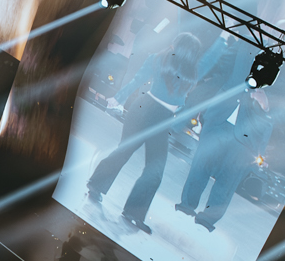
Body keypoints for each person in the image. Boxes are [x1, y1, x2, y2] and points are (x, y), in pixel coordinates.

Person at [87, 31, 204, 232]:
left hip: (161, 119)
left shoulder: (188, 73)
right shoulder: (159, 60)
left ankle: (133, 212)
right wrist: (119, 97)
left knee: (155, 169)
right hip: (144, 110)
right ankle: (96, 185)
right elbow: (137, 80)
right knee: (123, 151)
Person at [175, 85, 274, 230]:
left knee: (227, 182)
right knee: (199, 168)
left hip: (245, 139)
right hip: (217, 123)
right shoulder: (243, 62)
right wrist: (206, 115)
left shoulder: (279, 76)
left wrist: (266, 106)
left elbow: (284, 110)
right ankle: (186, 207)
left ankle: (206, 222)